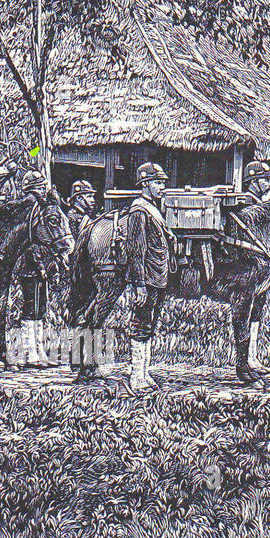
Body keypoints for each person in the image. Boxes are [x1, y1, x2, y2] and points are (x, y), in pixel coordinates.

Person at [119, 162, 176, 392]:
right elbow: (136, 250)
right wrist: (138, 284)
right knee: (141, 324)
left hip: (157, 277)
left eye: (162, 182)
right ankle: (136, 377)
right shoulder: (139, 211)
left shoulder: (152, 208)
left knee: (149, 325)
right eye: (157, 182)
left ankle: (144, 373)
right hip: (147, 279)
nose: (162, 187)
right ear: (145, 184)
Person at [13, 169, 58, 369]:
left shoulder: (39, 206)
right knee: (31, 308)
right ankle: (30, 352)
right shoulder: (29, 205)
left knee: (40, 308)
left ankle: (39, 351)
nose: (42, 190)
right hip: (29, 264)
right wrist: (40, 265)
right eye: (39, 187)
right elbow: (28, 240)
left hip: (39, 264)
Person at [238, 160, 270, 374]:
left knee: (257, 311)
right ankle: (246, 361)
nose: (269, 184)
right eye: (265, 180)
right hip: (247, 269)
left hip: (260, 270)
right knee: (247, 311)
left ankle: (252, 358)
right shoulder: (247, 206)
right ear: (253, 182)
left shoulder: (259, 205)